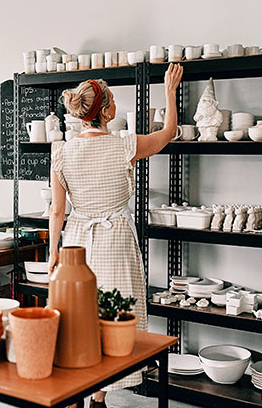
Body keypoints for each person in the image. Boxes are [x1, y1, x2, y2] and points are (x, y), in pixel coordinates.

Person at [49, 63, 183, 408]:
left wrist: (52, 254)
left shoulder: (61, 151)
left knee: (78, 315)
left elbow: (57, 212)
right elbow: (168, 133)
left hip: (76, 240)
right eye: (112, 101)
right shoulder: (125, 145)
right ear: (107, 111)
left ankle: (76, 393)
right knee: (115, 315)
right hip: (115, 238)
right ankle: (98, 395)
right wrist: (169, 91)